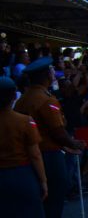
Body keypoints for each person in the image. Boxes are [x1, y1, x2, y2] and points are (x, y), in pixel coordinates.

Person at [14, 57, 85, 218]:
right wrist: (73, 143)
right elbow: (57, 131)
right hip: (50, 155)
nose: (54, 73)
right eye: (52, 70)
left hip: (31, 156)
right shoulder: (46, 100)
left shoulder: (22, 101)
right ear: (47, 75)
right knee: (54, 199)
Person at [0, 76, 47, 218]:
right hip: (21, 175)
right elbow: (35, 154)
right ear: (14, 96)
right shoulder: (25, 121)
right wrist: (43, 180)